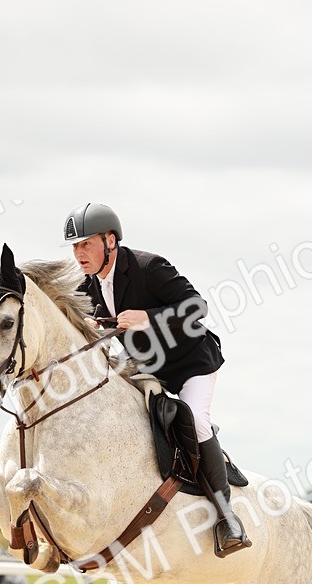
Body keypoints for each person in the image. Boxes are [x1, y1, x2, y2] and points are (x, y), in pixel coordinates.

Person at [63, 201, 250, 557]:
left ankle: (229, 519)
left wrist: (146, 317)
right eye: (75, 246)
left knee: (194, 421)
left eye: (86, 243)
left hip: (191, 363)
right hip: (148, 367)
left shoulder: (150, 267)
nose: (79, 253)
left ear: (110, 241)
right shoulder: (86, 286)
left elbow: (197, 307)